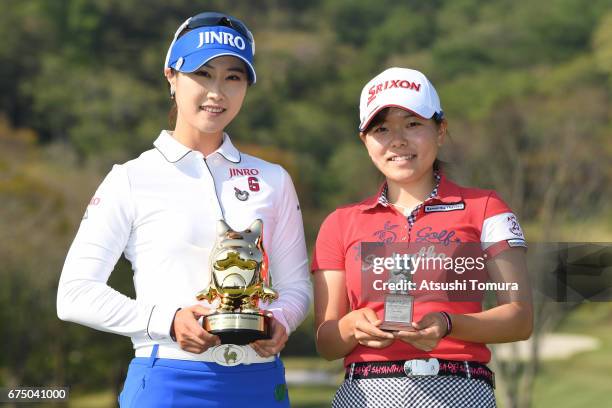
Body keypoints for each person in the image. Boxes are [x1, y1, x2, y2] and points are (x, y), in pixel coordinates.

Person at [57, 12, 311, 407]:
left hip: (260, 380)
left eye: (233, 77)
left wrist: (281, 319)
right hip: (168, 379)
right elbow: (74, 294)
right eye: (203, 73)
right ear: (171, 77)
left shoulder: (274, 178)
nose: (217, 92)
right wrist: (167, 322)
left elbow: (296, 286)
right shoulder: (131, 178)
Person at [312, 67, 533, 407]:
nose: (397, 140)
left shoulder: (486, 208)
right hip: (366, 392)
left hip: (461, 388)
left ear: (440, 130)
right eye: (381, 128)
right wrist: (352, 326)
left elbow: (519, 319)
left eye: (413, 124)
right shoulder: (340, 223)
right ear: (365, 141)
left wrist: (448, 324)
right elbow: (326, 343)